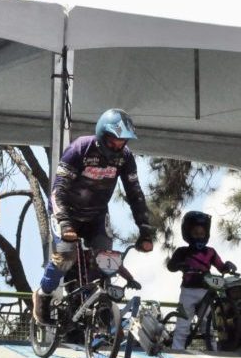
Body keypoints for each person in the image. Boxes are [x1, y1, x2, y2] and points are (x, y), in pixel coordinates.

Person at [32, 109, 153, 324]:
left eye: (122, 141)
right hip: (66, 211)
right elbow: (58, 190)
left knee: (106, 260)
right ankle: (43, 293)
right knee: (66, 255)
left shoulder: (125, 158)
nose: (118, 146)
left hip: (97, 214)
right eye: (113, 140)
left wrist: (144, 228)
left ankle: (97, 307)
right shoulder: (80, 148)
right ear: (101, 135)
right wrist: (65, 222)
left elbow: (135, 193)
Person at [166, 211, 236, 350]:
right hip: (187, 292)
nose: (199, 236)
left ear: (206, 234)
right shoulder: (182, 251)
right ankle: (177, 351)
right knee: (183, 324)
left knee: (208, 325)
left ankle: (213, 351)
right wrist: (181, 265)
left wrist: (228, 266)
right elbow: (171, 266)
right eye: (195, 233)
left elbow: (221, 266)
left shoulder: (210, 252)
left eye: (202, 234)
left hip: (206, 292)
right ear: (188, 233)